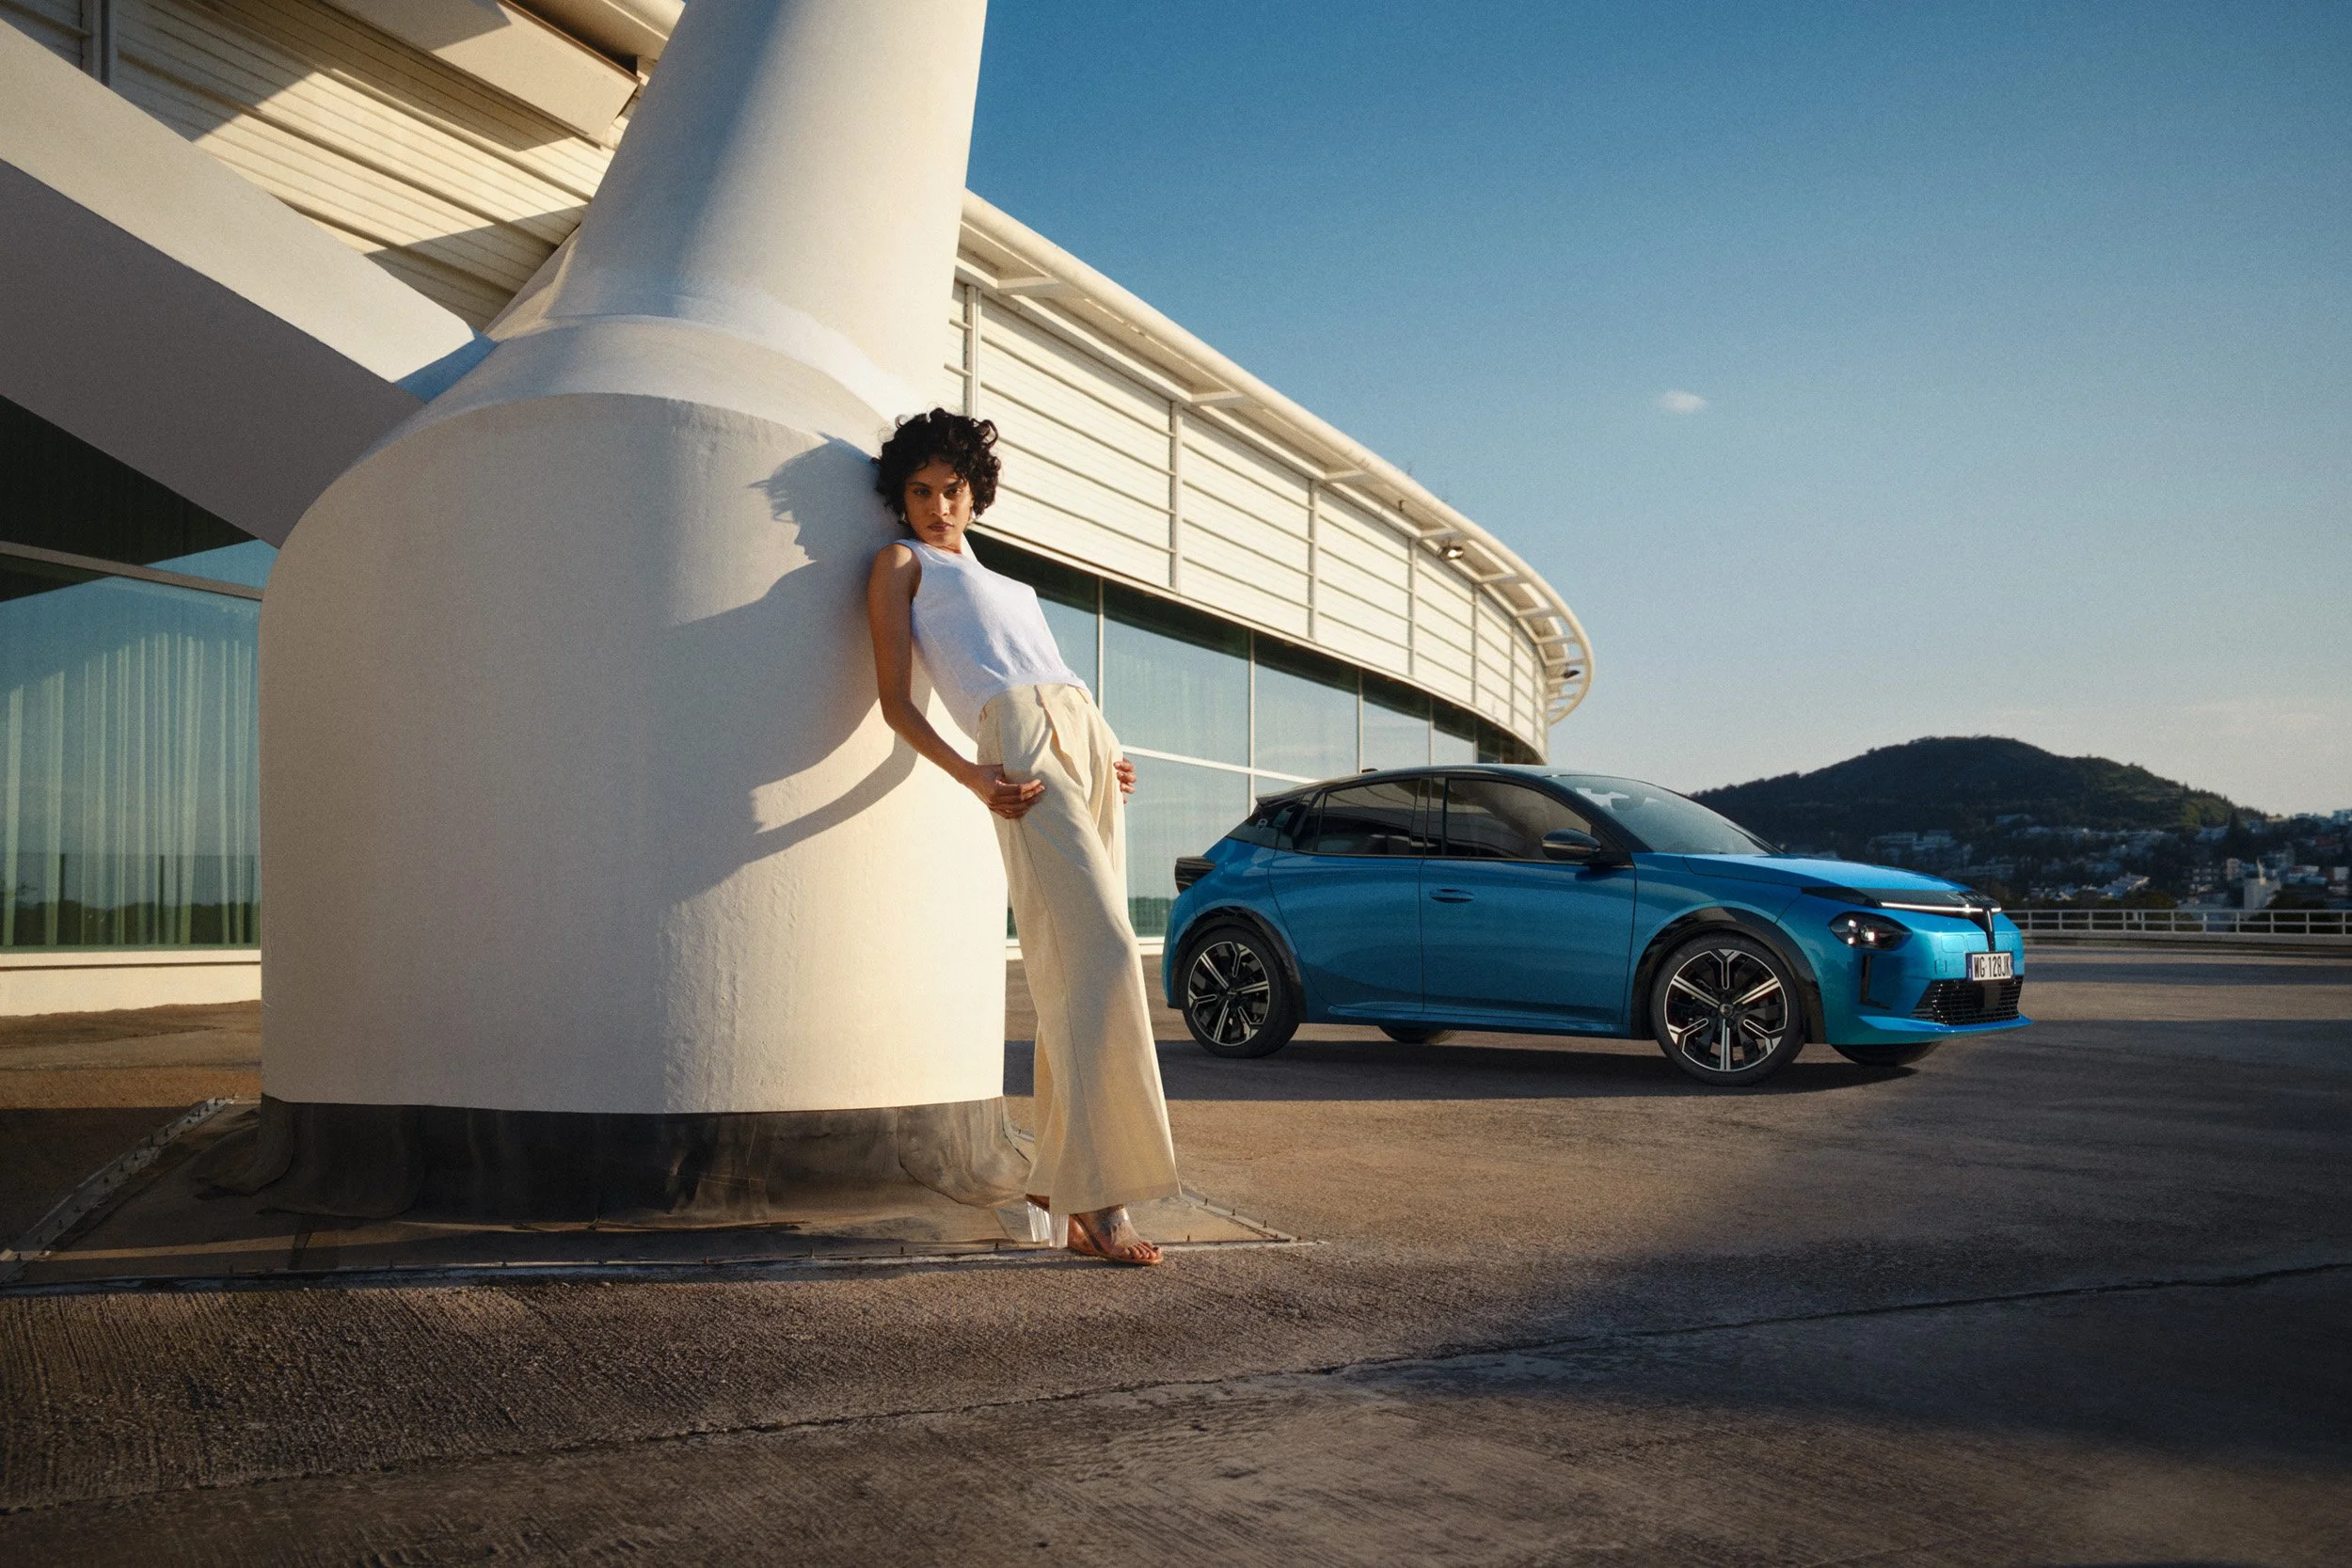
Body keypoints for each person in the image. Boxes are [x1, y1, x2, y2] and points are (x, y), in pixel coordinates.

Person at [865, 409, 1181, 1266]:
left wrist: (1108, 743)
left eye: (952, 490)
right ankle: (1099, 1196)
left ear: (974, 494)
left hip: (1083, 734)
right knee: (1108, 954)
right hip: (1018, 746)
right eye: (921, 492)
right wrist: (973, 773)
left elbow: (1055, 670)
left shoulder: (998, 577)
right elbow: (896, 701)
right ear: (901, 498)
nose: (938, 506)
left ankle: (1069, 1189)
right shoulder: (901, 565)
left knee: (1073, 971)